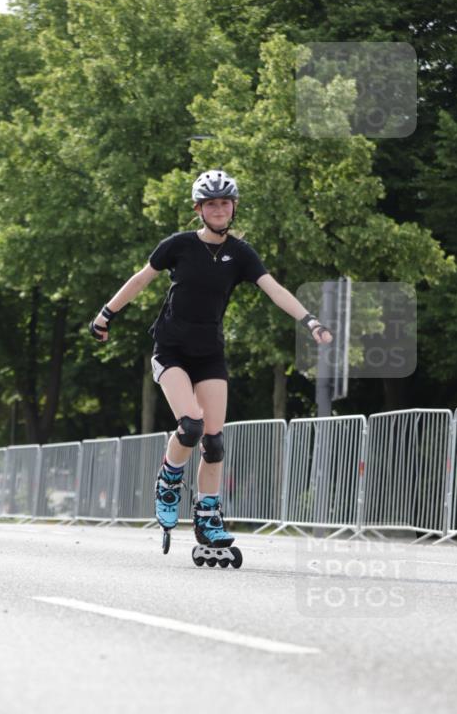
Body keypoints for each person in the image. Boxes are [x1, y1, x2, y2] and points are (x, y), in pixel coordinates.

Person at [89, 169, 333, 553]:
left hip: (209, 354)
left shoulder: (241, 253)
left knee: (214, 442)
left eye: (224, 203)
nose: (218, 210)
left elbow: (274, 289)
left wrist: (310, 321)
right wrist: (105, 315)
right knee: (190, 426)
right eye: (211, 204)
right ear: (198, 209)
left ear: (233, 207)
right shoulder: (178, 245)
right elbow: (140, 279)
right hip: (171, 350)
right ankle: (168, 481)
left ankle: (208, 517)